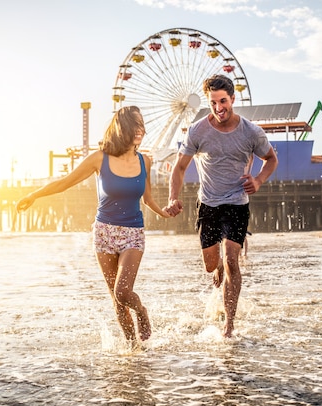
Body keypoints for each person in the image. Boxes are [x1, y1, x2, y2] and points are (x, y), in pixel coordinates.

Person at [16, 106, 170, 343]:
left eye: (142, 125)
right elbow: (65, 182)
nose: (141, 130)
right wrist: (34, 195)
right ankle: (133, 350)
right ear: (123, 128)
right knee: (116, 301)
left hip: (133, 234)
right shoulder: (100, 158)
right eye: (135, 125)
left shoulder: (145, 161)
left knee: (123, 291)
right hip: (104, 233)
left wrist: (164, 212)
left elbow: (147, 199)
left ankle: (142, 311)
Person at [164, 74, 278, 338]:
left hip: (237, 203)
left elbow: (271, 159)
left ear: (233, 99)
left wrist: (259, 180)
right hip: (208, 203)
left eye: (223, 101)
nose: (218, 108)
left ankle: (229, 324)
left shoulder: (251, 132)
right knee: (211, 264)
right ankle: (217, 268)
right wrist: (173, 197)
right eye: (213, 102)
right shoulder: (198, 130)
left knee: (232, 261)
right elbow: (180, 168)